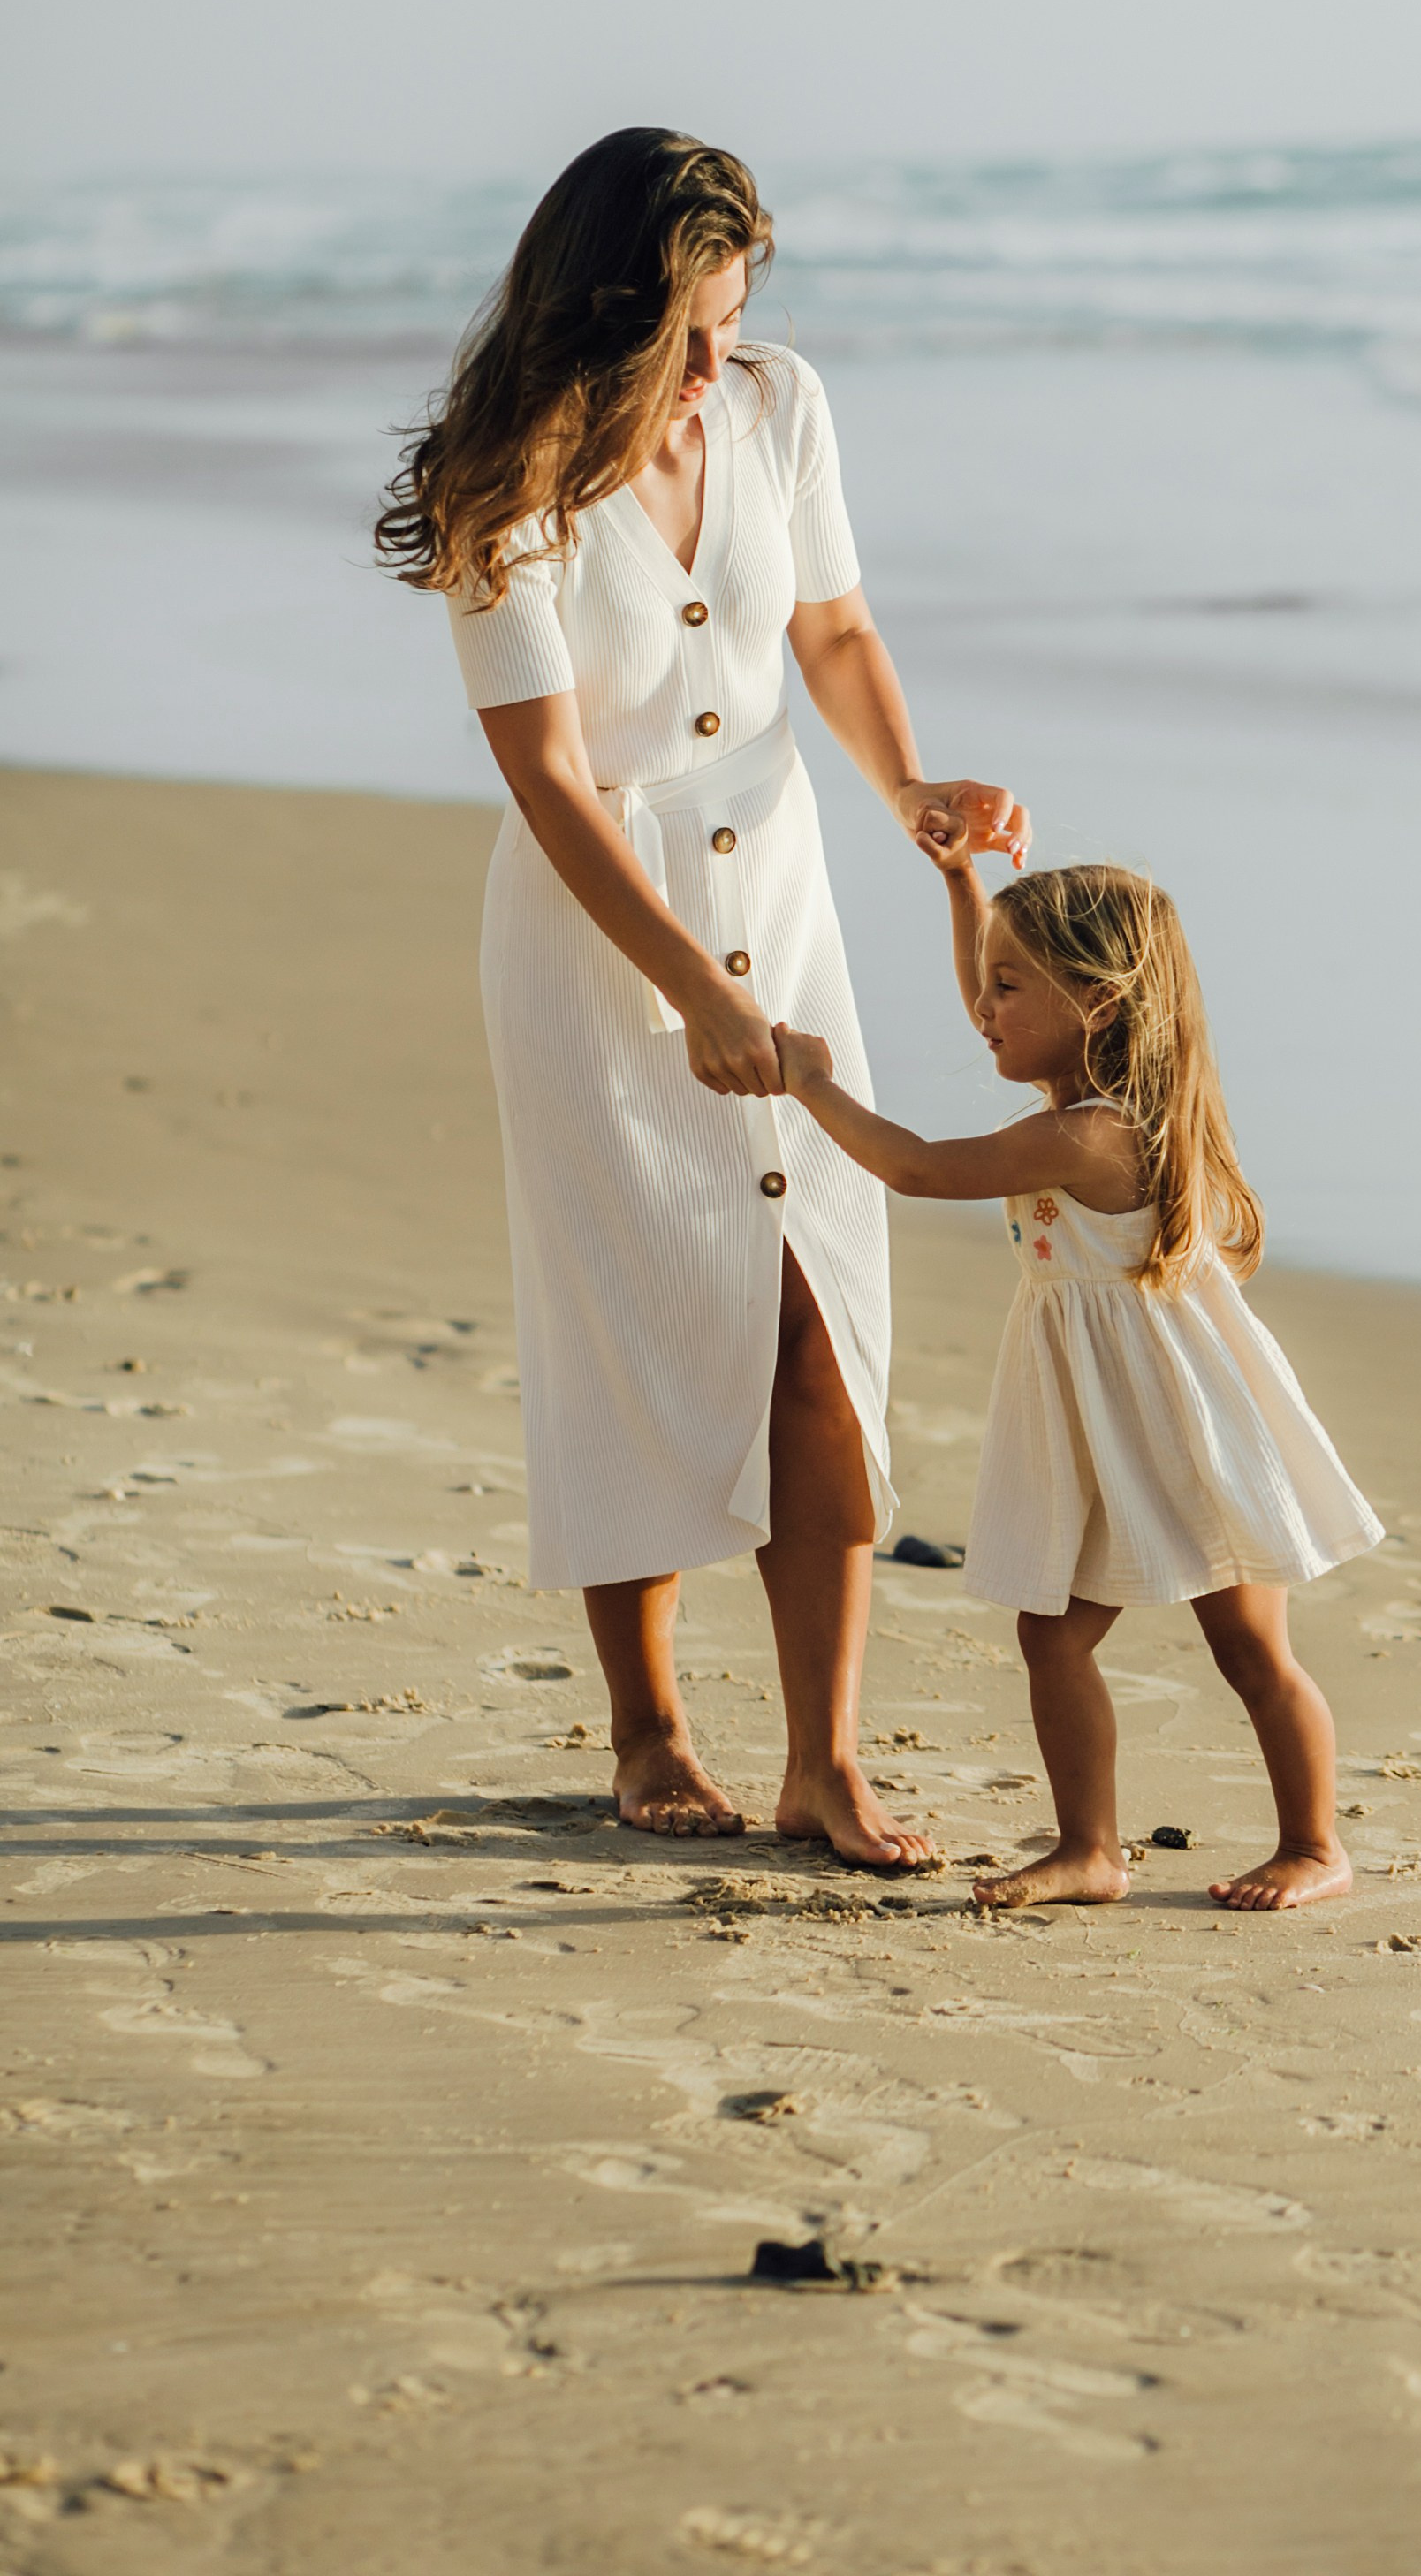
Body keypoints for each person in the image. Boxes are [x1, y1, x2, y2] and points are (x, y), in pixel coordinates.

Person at [376, 127, 1027, 1864]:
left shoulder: (778, 407)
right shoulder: (503, 483)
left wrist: (908, 794)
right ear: (610, 313)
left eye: (737, 320)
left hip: (784, 889)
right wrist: (688, 991)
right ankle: (650, 1725)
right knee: (635, 1315)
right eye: (693, 330)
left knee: (818, 1309)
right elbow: (550, 779)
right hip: (602, 938)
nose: (720, 359)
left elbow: (832, 632)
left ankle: (823, 1759)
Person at [772, 853, 1384, 1911]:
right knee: (1051, 1633)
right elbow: (985, 984)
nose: (980, 1009)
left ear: (1096, 1001)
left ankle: (1315, 1843)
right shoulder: (1080, 1103)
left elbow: (916, 1168)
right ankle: (1090, 1849)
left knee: (1249, 1644)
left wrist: (810, 1083)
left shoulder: (1088, 1134)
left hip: (1183, 1417)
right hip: (1096, 1419)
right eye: (988, 979)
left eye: (1009, 988)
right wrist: (960, 880)